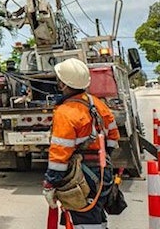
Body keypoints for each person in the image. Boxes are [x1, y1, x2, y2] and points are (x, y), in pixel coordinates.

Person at [43, 58, 120, 229]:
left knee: (85, 221)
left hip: (83, 176)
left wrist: (50, 184)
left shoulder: (66, 112)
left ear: (63, 84)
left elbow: (59, 154)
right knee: (96, 216)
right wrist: (101, 157)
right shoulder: (96, 103)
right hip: (103, 171)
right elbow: (113, 136)